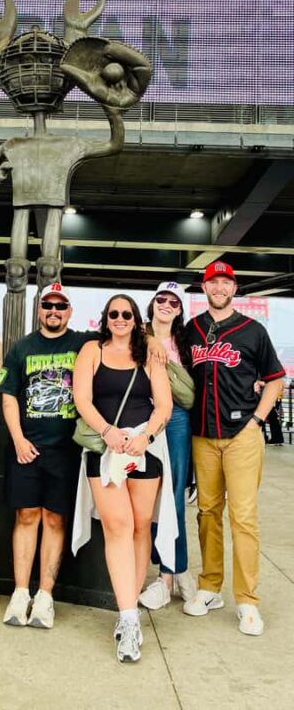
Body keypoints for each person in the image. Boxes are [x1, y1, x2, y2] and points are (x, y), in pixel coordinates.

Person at [182, 261, 284, 636]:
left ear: (234, 288)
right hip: (202, 435)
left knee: (243, 517)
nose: (220, 288)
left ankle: (247, 600)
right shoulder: (191, 331)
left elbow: (275, 380)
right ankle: (210, 587)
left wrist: (257, 420)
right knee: (207, 513)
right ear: (204, 288)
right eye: (214, 282)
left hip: (242, 433)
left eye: (226, 282)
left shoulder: (253, 330)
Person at [73, 294, 173, 663]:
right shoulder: (91, 351)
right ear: (105, 318)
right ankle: (130, 618)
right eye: (113, 313)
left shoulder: (149, 354)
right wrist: (107, 431)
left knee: (141, 526)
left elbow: (164, 404)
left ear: (135, 319)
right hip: (105, 450)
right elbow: (82, 399)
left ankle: (126, 606)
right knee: (118, 525)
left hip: (144, 449)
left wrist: (145, 436)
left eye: (126, 313)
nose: (120, 319)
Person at [0, 283, 99, 630]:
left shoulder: (83, 343)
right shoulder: (21, 347)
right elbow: (8, 395)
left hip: (65, 450)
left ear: (70, 311)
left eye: (60, 306)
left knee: (55, 520)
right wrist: (18, 439)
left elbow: (124, 335)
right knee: (26, 516)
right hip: (26, 447)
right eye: (48, 305)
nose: (54, 311)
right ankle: (20, 592)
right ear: (39, 309)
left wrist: (154, 342)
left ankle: (45, 596)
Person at [138, 283, 197, 610]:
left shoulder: (186, 341)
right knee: (145, 497)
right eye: (161, 299)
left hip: (175, 419)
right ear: (152, 303)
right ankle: (174, 569)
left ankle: (169, 573)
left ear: (179, 309)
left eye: (173, 302)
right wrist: (148, 339)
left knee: (172, 497)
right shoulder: (136, 333)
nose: (166, 304)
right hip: (140, 417)